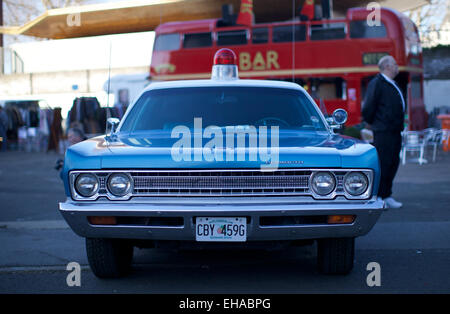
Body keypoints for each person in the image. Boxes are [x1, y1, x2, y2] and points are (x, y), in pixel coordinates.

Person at [362, 55, 406, 209]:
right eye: (394, 64)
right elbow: (368, 108)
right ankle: (378, 196)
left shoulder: (392, 83)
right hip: (383, 131)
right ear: (387, 66)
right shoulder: (377, 83)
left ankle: (387, 195)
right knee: (384, 163)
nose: (397, 66)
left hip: (395, 131)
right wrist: (376, 123)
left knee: (393, 162)